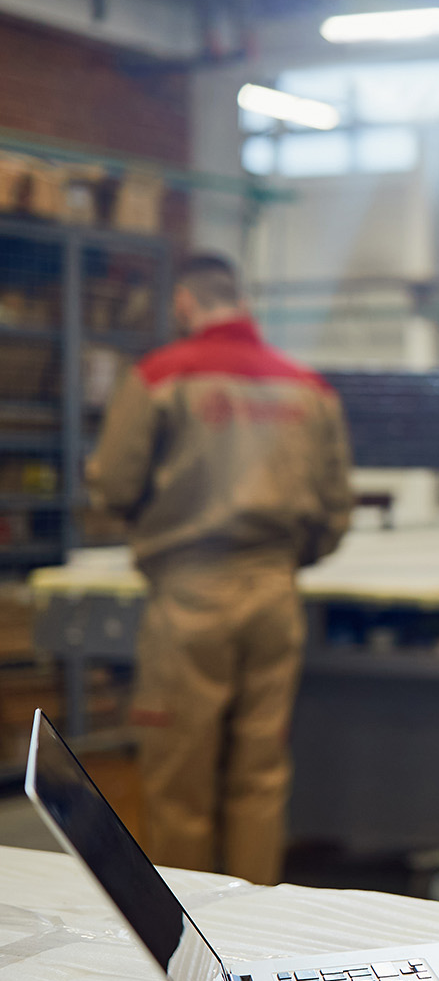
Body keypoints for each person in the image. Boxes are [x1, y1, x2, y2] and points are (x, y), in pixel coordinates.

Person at [87, 253, 353, 886]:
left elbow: (115, 486)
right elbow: (336, 509)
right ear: (242, 300)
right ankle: (254, 926)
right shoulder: (309, 389)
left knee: (180, 775)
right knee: (261, 772)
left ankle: (189, 934)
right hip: (274, 591)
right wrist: (285, 559)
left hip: (190, 595)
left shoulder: (159, 378)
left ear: (184, 302)